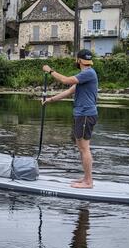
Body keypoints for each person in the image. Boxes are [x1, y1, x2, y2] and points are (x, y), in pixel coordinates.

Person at [41, 49, 98, 189]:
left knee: (84, 148)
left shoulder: (88, 73)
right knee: (81, 148)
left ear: (79, 61)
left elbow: (65, 81)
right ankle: (86, 177)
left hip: (85, 115)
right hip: (81, 114)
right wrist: (50, 100)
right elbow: (69, 91)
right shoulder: (84, 75)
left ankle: (88, 182)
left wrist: (50, 71)